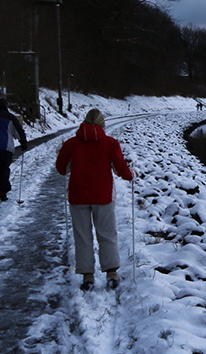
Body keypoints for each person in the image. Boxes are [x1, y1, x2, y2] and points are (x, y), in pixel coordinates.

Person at [55, 109, 133, 290]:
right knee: (107, 233)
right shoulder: (110, 143)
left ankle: (87, 276)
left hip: (78, 195)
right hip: (103, 195)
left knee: (82, 236)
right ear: (102, 124)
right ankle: (111, 273)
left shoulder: (71, 144)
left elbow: (61, 169)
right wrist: (131, 175)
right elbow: (121, 169)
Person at [0, 96, 28, 203]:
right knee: (4, 171)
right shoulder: (11, 117)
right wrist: (23, 143)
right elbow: (19, 131)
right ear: (6, 106)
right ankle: (3, 194)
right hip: (6, 149)